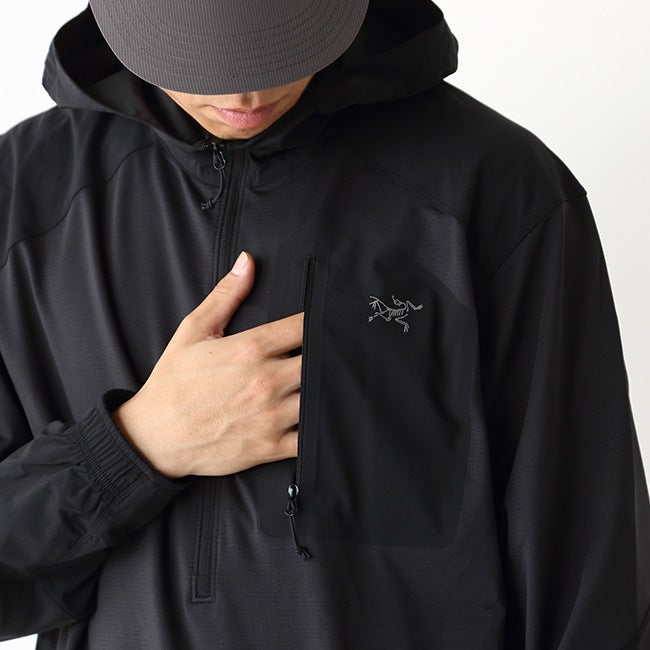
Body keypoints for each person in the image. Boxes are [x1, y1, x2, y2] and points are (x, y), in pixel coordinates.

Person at [0, 0, 648, 647]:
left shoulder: (495, 188)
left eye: (279, 50)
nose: (244, 94)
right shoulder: (26, 193)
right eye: (200, 62)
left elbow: (587, 565)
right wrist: (136, 447)